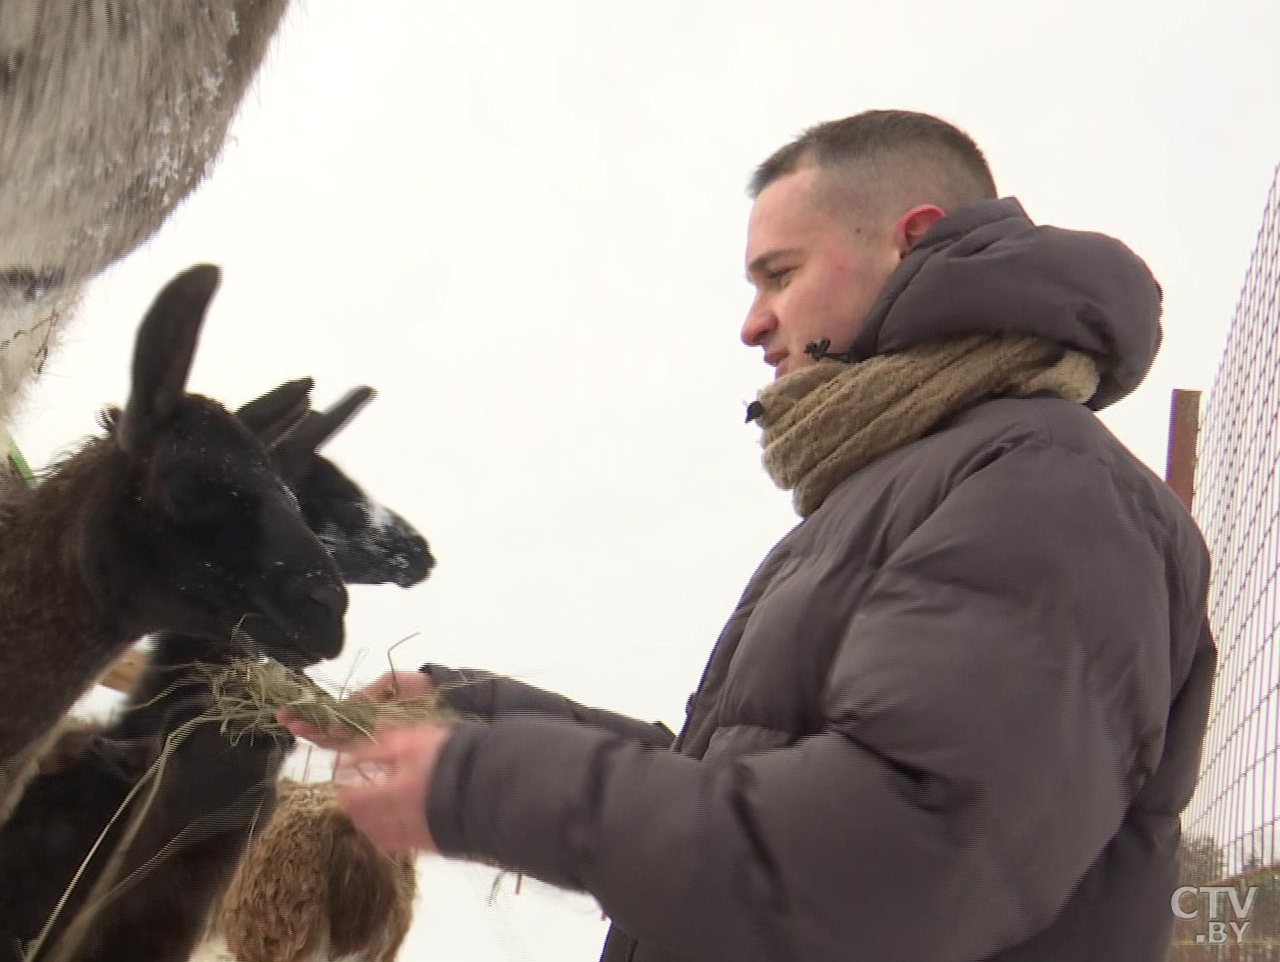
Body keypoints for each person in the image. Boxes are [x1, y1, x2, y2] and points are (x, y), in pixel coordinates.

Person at [280, 109, 1218, 961]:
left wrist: (484, 785)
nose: (751, 323)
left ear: (915, 240)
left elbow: (896, 859)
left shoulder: (1049, 490)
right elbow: (743, 771)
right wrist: (472, 713)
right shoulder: (896, 483)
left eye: (781, 273)